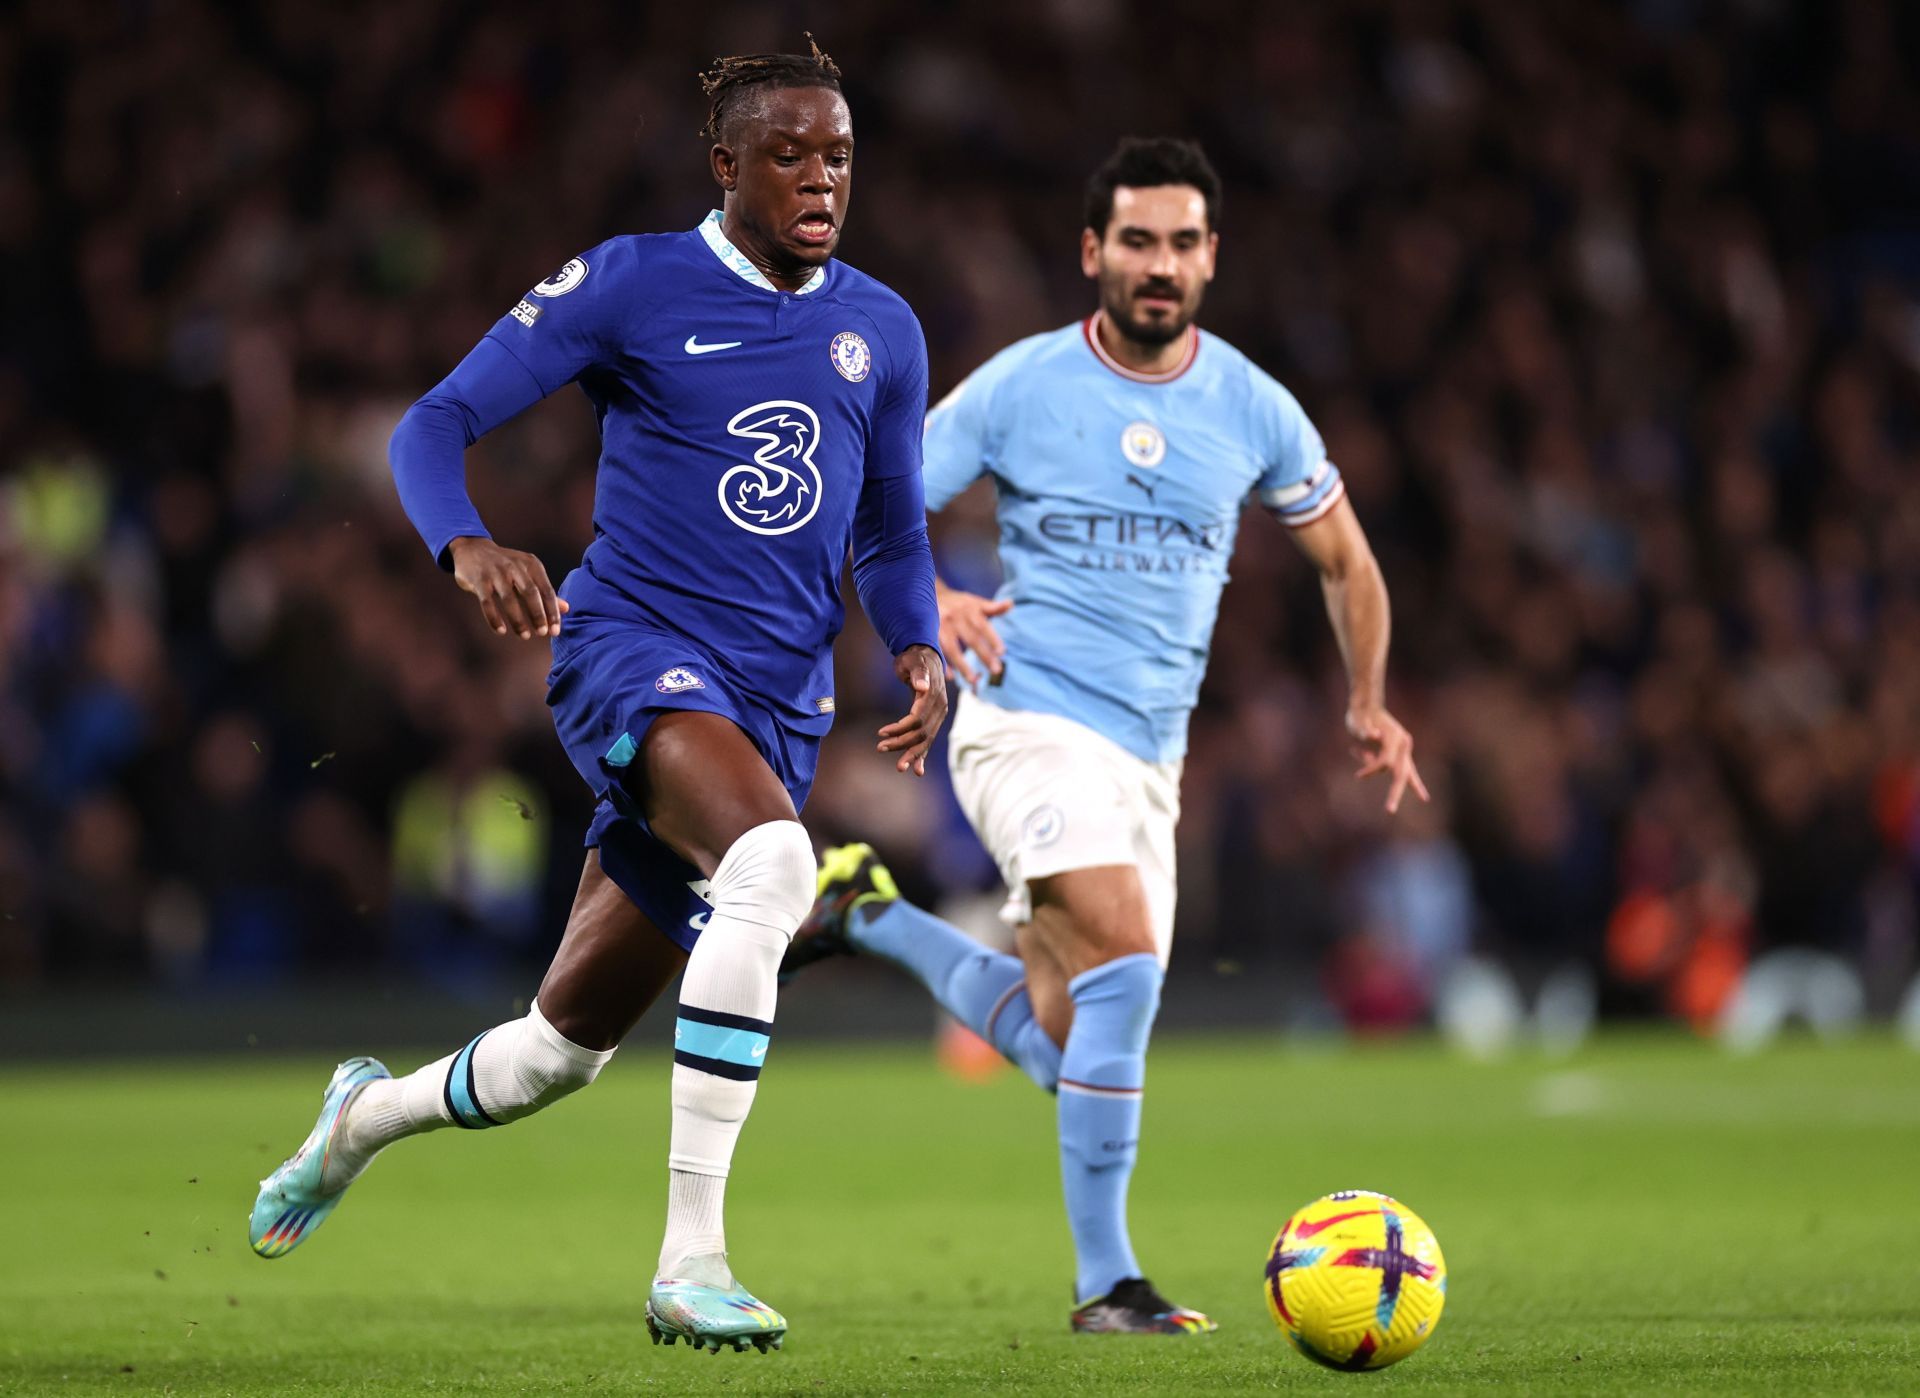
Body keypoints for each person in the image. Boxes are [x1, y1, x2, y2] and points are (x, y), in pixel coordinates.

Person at [247, 41, 948, 1356]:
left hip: (779, 708)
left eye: (838, 154)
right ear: (726, 164)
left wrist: (916, 645)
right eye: (788, 153)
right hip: (632, 650)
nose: (819, 179)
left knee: (556, 1055)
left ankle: (359, 1120)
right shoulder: (633, 281)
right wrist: (468, 543)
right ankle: (694, 1261)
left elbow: (893, 533)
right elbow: (432, 425)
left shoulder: (884, 329)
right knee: (776, 866)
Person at [782, 137, 1425, 1335]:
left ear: (1212, 258)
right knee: (1123, 964)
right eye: (1137, 240)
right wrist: (937, 601)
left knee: (1070, 1046)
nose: (1160, 264)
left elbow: (1348, 561)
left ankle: (867, 915)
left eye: (1183, 243)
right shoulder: (1023, 385)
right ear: (1094, 253)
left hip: (1149, 763)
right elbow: (871, 501)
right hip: (1024, 721)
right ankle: (1107, 1285)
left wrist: (1369, 701)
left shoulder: (1252, 407)